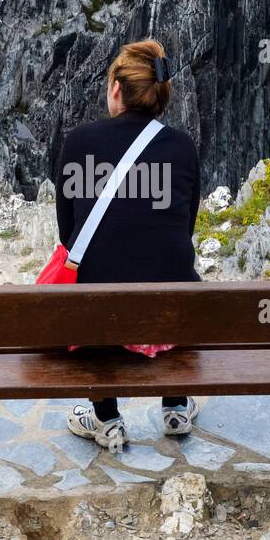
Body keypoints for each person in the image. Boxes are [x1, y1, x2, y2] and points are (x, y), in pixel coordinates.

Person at [53, 39, 202, 451]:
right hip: (168, 316)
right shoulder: (183, 148)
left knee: (93, 285)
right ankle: (175, 406)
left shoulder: (79, 142)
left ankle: (106, 419)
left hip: (97, 322)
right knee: (173, 274)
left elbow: (69, 237)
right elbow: (182, 233)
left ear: (116, 89)